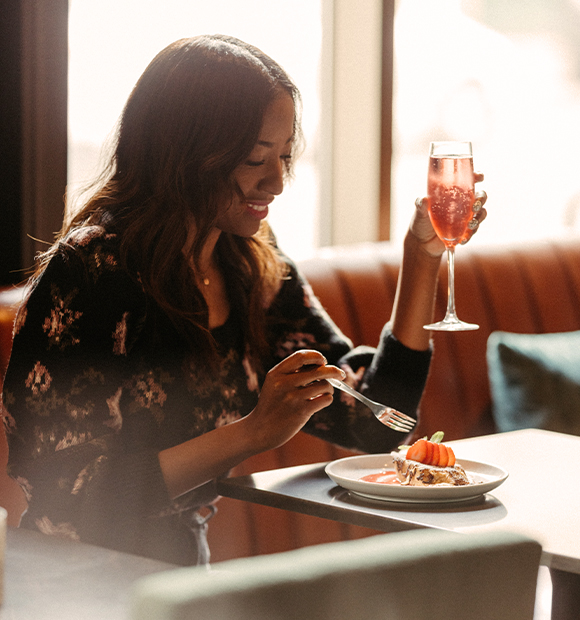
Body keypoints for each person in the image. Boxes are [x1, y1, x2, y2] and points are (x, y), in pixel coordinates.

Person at [1, 34, 487, 566]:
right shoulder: (93, 271)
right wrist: (252, 432)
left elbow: (371, 419)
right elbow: (67, 491)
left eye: (285, 155)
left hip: (184, 566)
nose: (277, 180)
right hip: (72, 575)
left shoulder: (249, 261)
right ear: (184, 153)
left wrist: (422, 255)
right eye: (256, 158)